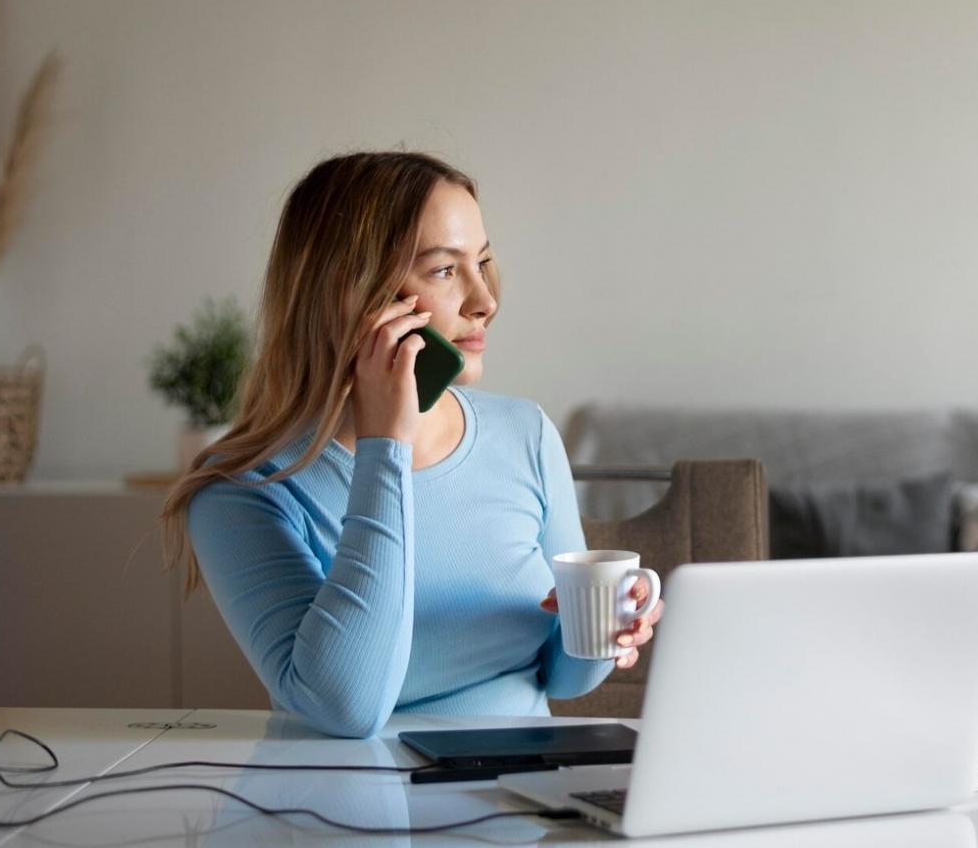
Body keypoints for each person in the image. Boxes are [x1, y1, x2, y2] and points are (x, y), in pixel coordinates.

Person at [158, 151, 662, 738]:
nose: (485, 300)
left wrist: (607, 629)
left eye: (483, 262)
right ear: (352, 294)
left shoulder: (526, 434)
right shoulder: (241, 487)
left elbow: (562, 678)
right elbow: (346, 707)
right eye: (445, 270)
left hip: (519, 791)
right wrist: (385, 448)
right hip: (345, 808)